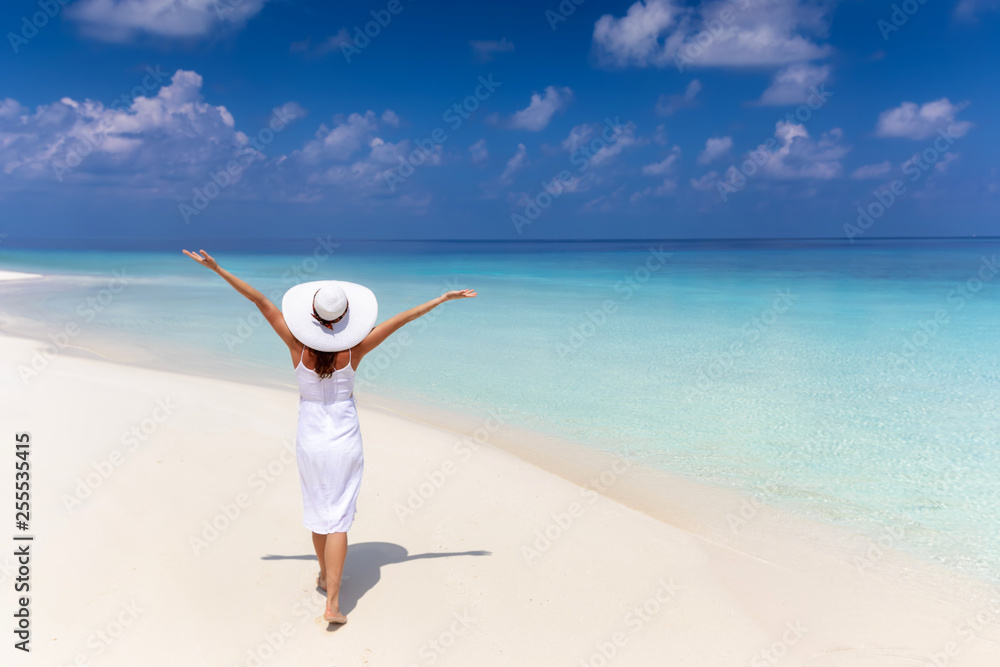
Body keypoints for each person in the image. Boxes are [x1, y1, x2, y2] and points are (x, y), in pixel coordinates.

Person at [182, 249, 476, 624]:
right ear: (344, 319)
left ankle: (323, 576)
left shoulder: (296, 346)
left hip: (309, 440)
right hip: (345, 440)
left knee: (319, 513)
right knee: (338, 519)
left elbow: (259, 301)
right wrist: (442, 298)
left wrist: (218, 268)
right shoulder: (355, 350)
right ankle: (333, 605)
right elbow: (403, 319)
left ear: (312, 315)